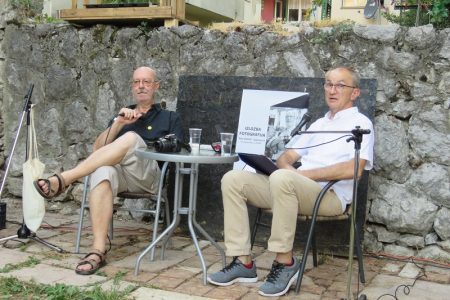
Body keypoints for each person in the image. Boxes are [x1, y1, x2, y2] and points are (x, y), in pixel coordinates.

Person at [207, 67, 374, 297]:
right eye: (328, 84)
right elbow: (286, 157)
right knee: (233, 179)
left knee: (284, 178)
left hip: (330, 196)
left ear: (355, 93)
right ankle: (243, 262)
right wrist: (284, 171)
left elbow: (354, 170)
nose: (332, 90)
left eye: (340, 85)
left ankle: (285, 262)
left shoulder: (360, 123)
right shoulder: (319, 123)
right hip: (292, 187)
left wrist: (299, 176)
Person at [33, 66, 184, 275]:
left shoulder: (169, 117)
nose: (141, 86)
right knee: (102, 171)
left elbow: (177, 147)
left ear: (156, 86)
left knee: (131, 139)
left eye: (146, 82)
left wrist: (142, 142)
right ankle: (97, 250)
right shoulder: (122, 115)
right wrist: (119, 123)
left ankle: (64, 179)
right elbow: (97, 151)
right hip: (121, 175)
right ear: (132, 86)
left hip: (149, 176)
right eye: (136, 82)